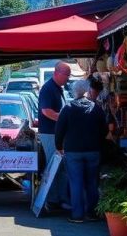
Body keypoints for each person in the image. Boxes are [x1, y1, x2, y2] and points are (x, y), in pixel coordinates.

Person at [55, 79, 108, 224]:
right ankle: (92, 212)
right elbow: (105, 130)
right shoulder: (96, 108)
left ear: (74, 91)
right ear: (87, 90)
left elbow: (59, 130)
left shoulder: (68, 107)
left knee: (76, 182)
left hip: (73, 151)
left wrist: (58, 146)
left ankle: (77, 215)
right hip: (93, 150)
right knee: (92, 182)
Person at [38, 61, 72, 212]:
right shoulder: (48, 88)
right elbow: (47, 111)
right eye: (67, 75)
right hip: (50, 134)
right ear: (57, 73)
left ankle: (59, 199)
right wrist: (65, 119)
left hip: (55, 133)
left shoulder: (57, 88)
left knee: (60, 167)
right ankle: (52, 200)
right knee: (54, 167)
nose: (68, 78)